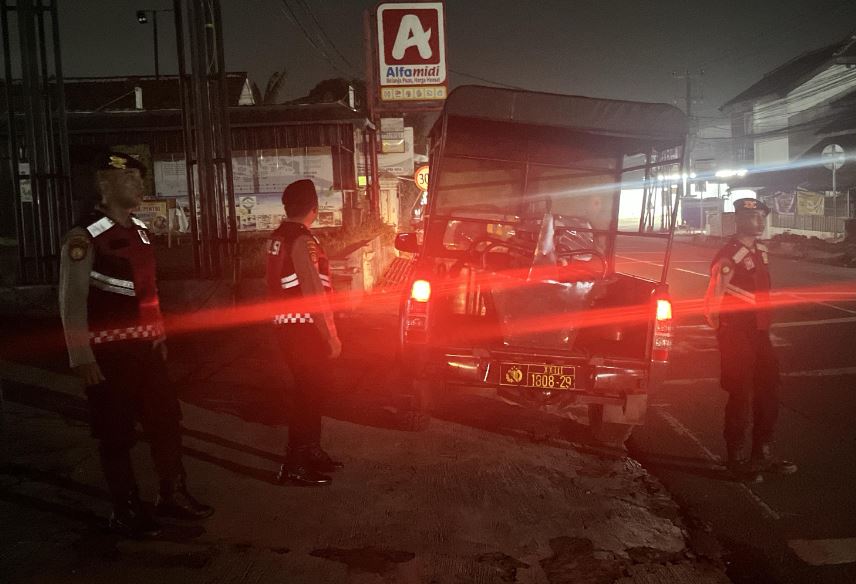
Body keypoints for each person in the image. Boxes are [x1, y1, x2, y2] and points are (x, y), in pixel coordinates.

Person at [59, 151, 213, 538]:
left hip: (146, 351)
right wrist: (81, 355)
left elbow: (148, 290)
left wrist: (158, 333)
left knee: (166, 421)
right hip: (109, 354)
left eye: (140, 178)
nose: (139, 185)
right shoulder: (84, 236)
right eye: (129, 178)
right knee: (116, 433)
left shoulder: (141, 231)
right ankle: (125, 509)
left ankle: (172, 494)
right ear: (104, 184)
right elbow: (71, 299)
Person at [703, 197, 797, 482]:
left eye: (762, 217)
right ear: (739, 221)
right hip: (737, 333)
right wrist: (724, 332)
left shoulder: (761, 251)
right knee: (740, 393)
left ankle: (762, 453)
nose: (760, 222)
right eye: (753, 217)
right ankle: (736, 457)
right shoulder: (729, 256)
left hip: (759, 332)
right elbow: (712, 300)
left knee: (769, 390)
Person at [266, 179, 343, 486]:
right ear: (314, 208)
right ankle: (296, 463)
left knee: (310, 391)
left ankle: (310, 450)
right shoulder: (302, 240)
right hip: (305, 327)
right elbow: (313, 292)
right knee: (308, 395)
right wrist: (331, 335)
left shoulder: (279, 236)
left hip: (287, 326)